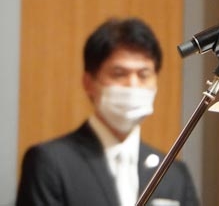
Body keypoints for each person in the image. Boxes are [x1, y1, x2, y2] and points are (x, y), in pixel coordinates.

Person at [16, 17, 199, 206]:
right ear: (89, 83)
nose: (133, 85)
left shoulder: (173, 173)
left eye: (144, 75)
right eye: (119, 74)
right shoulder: (50, 162)